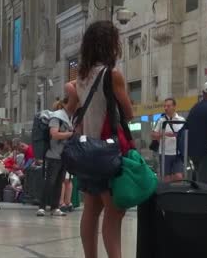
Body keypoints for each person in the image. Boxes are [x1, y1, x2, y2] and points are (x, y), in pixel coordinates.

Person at [65, 20, 134, 258]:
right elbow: (129, 113)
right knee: (114, 215)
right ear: (109, 45)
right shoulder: (111, 74)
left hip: (87, 152)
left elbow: (78, 110)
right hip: (108, 152)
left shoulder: (81, 78)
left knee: (91, 211)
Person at [37, 99, 73, 217]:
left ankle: (55, 207)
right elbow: (54, 134)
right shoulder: (57, 117)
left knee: (59, 182)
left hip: (63, 155)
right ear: (65, 104)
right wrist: (70, 134)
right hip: (54, 155)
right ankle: (42, 206)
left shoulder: (69, 117)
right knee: (50, 182)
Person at [151, 98, 187, 182]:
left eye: (168, 106)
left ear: (174, 107)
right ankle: (169, 191)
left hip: (177, 153)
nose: (166, 108)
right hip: (165, 153)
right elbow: (153, 135)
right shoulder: (161, 120)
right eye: (165, 106)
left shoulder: (181, 120)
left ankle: (174, 189)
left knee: (179, 177)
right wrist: (165, 134)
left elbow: (185, 135)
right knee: (166, 179)